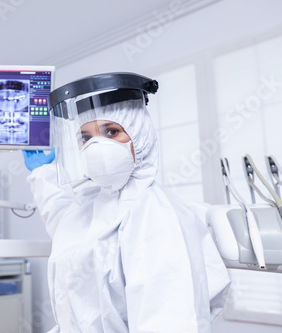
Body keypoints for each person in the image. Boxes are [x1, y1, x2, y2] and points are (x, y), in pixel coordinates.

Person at [22, 73, 230, 332]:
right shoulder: (93, 206)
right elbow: (67, 227)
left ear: (138, 136)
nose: (96, 146)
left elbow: (167, 321)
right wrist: (42, 174)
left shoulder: (157, 217)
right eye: (85, 138)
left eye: (111, 131)